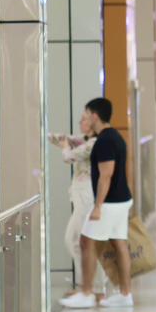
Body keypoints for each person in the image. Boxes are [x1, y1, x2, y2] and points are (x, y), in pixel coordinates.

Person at [62, 98, 133, 309]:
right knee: (119, 244)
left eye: (86, 114)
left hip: (109, 203)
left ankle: (86, 292)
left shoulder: (104, 141)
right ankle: (125, 293)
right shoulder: (115, 137)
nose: (84, 118)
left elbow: (106, 175)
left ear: (95, 116)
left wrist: (98, 206)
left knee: (86, 241)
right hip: (122, 199)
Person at [47, 127, 109, 301]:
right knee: (77, 242)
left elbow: (69, 156)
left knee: (78, 240)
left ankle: (93, 288)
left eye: (85, 118)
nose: (82, 122)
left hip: (86, 198)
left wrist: (66, 145)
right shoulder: (85, 140)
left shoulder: (93, 143)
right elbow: (63, 138)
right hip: (81, 197)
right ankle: (89, 287)